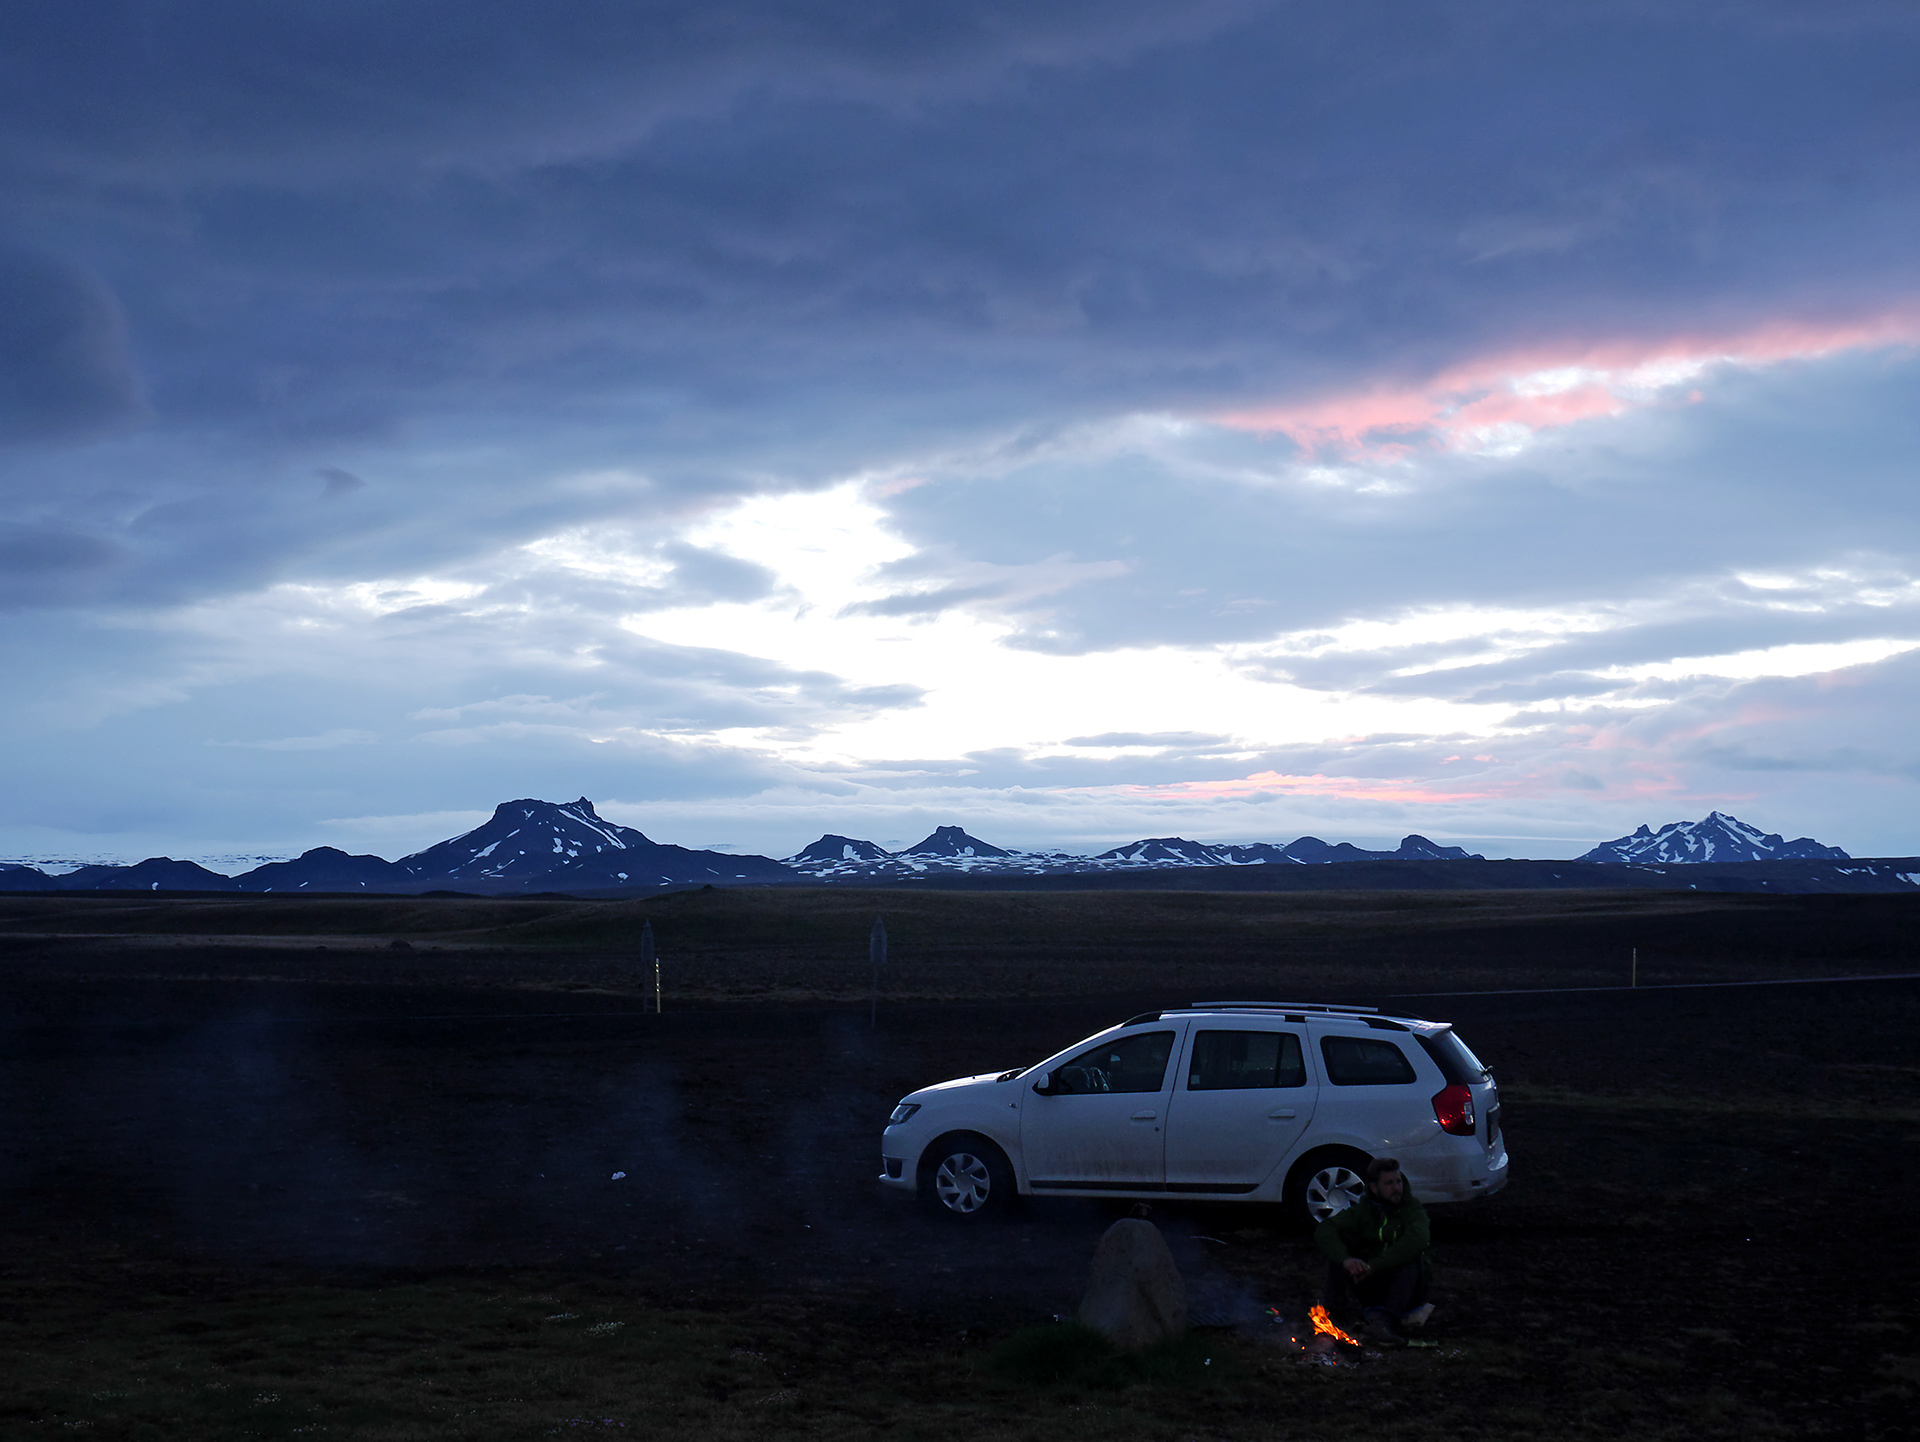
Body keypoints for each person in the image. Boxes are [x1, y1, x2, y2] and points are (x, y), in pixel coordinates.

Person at [1312, 1156, 1434, 1347]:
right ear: (1374, 1188)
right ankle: (1334, 1315)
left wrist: (1374, 1266)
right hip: (1371, 1282)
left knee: (1410, 1258)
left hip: (1408, 1289)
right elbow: (1326, 1229)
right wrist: (1346, 1260)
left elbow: (1417, 1240)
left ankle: (1384, 1321)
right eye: (1389, 1183)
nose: (1396, 1188)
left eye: (1398, 1182)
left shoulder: (1412, 1210)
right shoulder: (1364, 1211)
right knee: (1340, 1244)